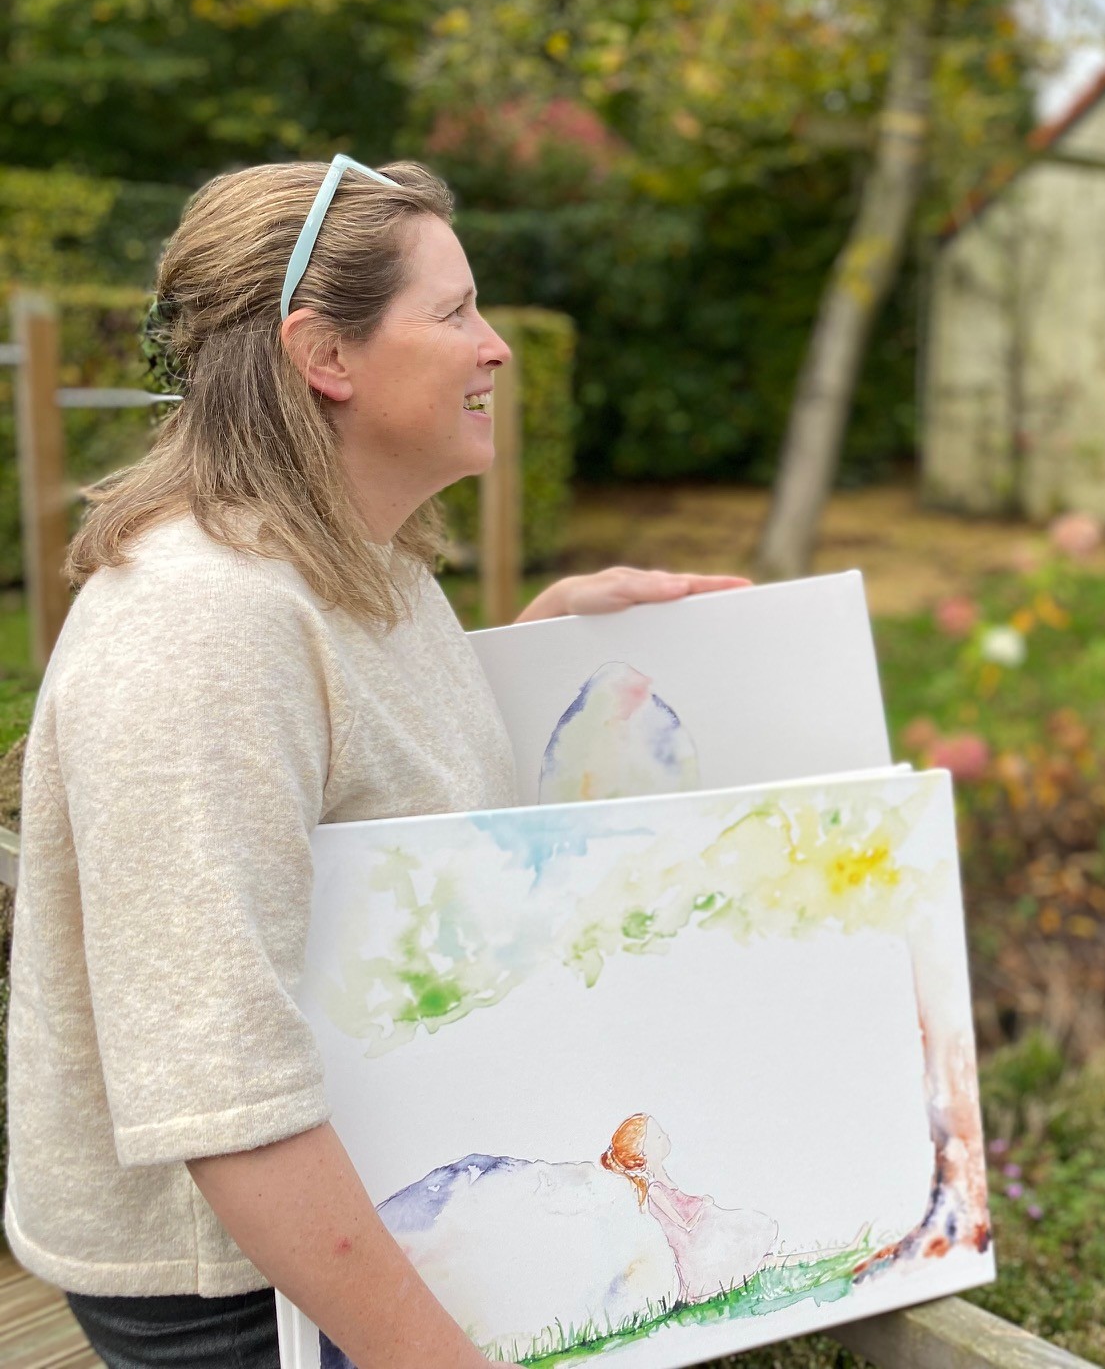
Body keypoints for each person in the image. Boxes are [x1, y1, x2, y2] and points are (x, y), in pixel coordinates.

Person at [2, 154, 749, 1369]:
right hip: (247, 1289)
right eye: (454, 313)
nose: (496, 347)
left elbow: (364, 781)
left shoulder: (361, 566)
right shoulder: (202, 624)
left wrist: (541, 651)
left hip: (357, 1217)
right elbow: (224, 1098)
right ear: (325, 356)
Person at [599, 1114, 779, 1304]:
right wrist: (703, 1206)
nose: (665, 1136)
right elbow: (685, 1224)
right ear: (643, 1153)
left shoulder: (662, 1179)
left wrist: (701, 1202)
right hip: (693, 1250)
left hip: (700, 1237)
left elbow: (684, 1203)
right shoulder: (655, 1190)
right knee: (739, 1239)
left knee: (745, 1236)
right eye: (658, 1137)